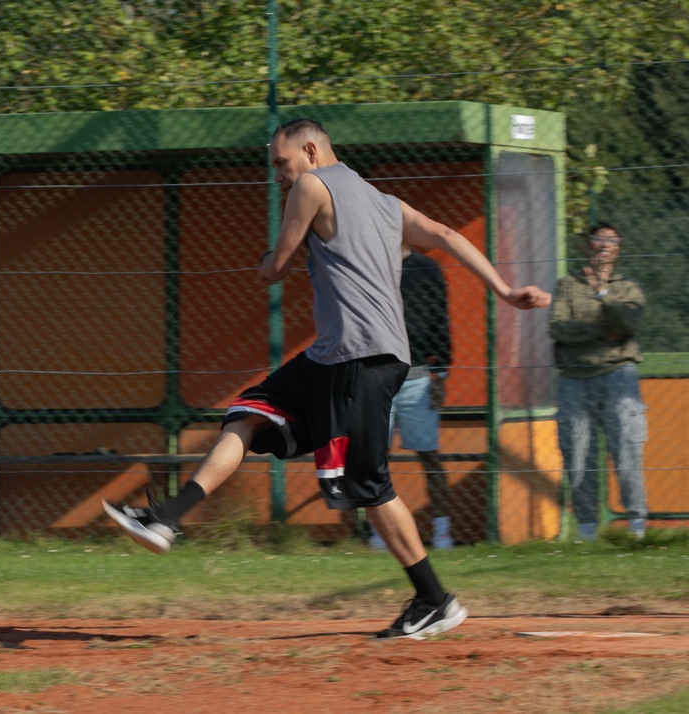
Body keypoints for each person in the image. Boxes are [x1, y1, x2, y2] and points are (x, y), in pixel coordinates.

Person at [104, 118, 550, 640]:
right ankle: (167, 518)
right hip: (333, 359)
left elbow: (276, 268)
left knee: (368, 485)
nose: (278, 177)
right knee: (249, 414)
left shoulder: (312, 186)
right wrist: (502, 289)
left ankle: (434, 599)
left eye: (280, 163)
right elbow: (446, 236)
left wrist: (265, 263)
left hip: (360, 361)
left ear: (310, 151)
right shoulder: (385, 203)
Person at [549, 222, 648, 541]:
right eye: (597, 240)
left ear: (618, 248)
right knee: (577, 454)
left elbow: (630, 322)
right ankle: (587, 532)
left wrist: (604, 296)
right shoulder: (567, 285)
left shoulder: (627, 287)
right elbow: (558, 329)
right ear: (587, 246)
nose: (604, 245)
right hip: (574, 379)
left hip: (619, 375)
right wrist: (605, 330)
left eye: (611, 240)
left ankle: (637, 529)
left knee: (627, 450)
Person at [370, 245, 454, 551]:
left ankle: (442, 532)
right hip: (375, 375)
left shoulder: (426, 268)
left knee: (429, 454)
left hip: (418, 376)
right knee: (374, 457)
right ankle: (380, 533)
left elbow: (440, 319)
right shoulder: (368, 262)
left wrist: (440, 374)